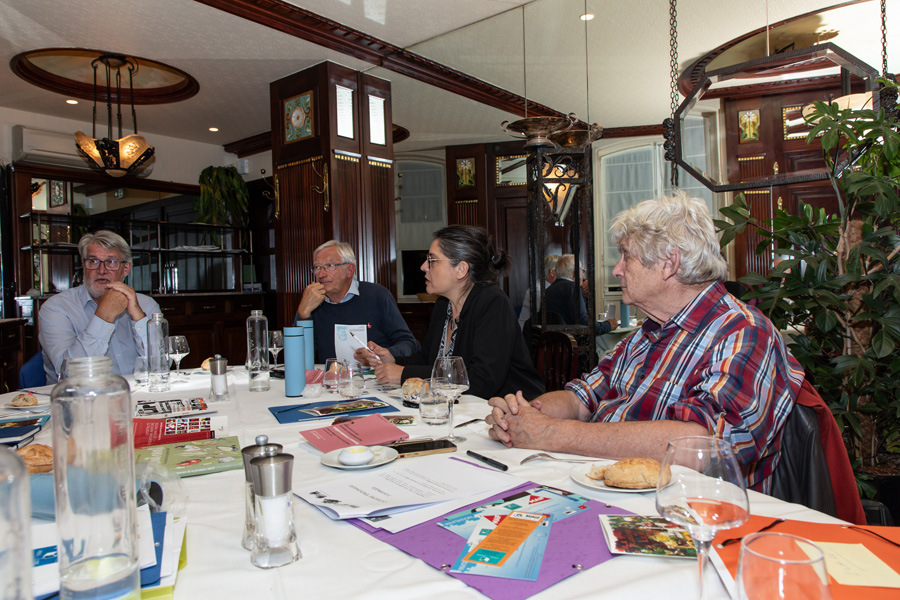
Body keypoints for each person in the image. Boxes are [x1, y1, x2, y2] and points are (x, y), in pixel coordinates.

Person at [487, 194, 804, 493]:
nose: (617, 269)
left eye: (626, 256)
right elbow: (582, 399)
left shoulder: (742, 332)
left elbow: (702, 445)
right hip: (611, 491)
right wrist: (524, 415)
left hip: (689, 513)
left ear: (669, 263)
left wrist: (549, 433)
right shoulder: (648, 332)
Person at [360, 225, 544, 400]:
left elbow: (482, 380)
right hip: (462, 410)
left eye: (432, 260)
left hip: (511, 412)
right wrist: (393, 359)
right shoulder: (443, 305)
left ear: (461, 269)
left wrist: (403, 374)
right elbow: (428, 359)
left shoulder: (493, 303)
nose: (423, 266)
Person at [39, 230, 160, 381]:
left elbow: (161, 366)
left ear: (126, 269)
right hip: (81, 399)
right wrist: (103, 316)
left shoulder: (146, 305)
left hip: (138, 397)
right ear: (84, 267)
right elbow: (69, 375)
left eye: (111, 262)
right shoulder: (56, 308)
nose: (101, 270)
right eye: (93, 261)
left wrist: (138, 317)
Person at [296, 240, 419, 362]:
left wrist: (386, 354)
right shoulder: (313, 302)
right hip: (330, 378)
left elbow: (409, 344)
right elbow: (298, 358)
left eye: (330, 266)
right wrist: (303, 314)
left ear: (350, 270)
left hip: (375, 377)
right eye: (317, 267)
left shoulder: (377, 295)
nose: (321, 274)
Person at [545, 254, 617, 335]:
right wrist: (608, 325)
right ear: (575, 272)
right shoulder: (572, 288)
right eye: (583, 270)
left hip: (552, 342)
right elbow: (584, 325)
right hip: (571, 342)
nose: (583, 274)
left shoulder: (548, 290)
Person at [517, 253, 559, 331]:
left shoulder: (547, 287)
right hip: (528, 336)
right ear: (552, 272)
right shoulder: (538, 290)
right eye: (560, 271)